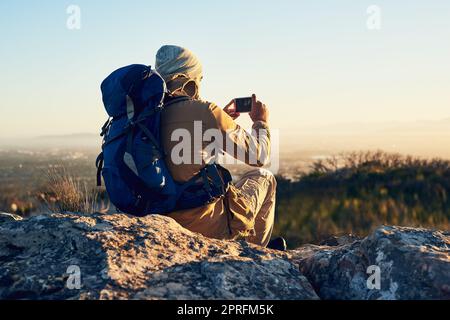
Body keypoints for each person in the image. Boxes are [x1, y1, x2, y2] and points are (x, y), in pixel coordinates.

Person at [156, 45, 285, 250]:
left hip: (159, 220)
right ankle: (255, 253)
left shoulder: (147, 116)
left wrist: (220, 119)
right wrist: (260, 122)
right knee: (263, 177)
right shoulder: (205, 111)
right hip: (205, 226)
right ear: (191, 78)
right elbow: (259, 155)